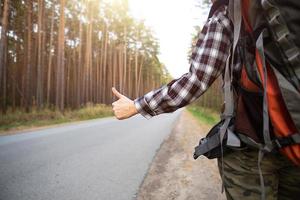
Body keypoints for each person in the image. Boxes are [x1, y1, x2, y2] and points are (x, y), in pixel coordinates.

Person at [111, 1, 300, 200]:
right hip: (295, 142)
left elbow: (198, 78)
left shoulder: (231, 9)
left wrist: (136, 106)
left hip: (249, 148)